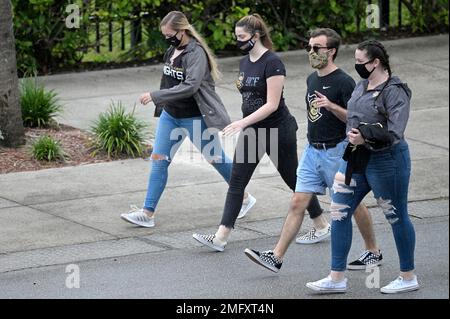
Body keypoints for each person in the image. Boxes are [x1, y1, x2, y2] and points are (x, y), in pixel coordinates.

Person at [244, 28, 381, 273]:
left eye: (316, 48)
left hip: (337, 151)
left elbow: (357, 117)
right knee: (298, 202)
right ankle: (276, 257)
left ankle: (373, 251)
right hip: (312, 150)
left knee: (353, 205)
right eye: (309, 47)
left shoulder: (344, 82)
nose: (311, 52)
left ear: (331, 51)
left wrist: (331, 106)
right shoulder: (312, 79)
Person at [192, 14, 326, 252]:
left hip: (277, 129)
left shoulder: (272, 62)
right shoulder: (245, 62)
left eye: (242, 37)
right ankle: (221, 237)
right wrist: (245, 125)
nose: (238, 41)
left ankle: (321, 223)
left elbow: (272, 104)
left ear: (256, 36)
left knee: (294, 179)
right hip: (253, 131)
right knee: (237, 181)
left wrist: (241, 122)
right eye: (237, 37)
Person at [120, 11, 255, 228]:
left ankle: (245, 198)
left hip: (195, 118)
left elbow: (189, 86)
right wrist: (162, 105)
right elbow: (168, 81)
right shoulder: (172, 50)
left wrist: (156, 96)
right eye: (165, 35)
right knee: (158, 161)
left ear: (182, 31)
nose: (167, 39)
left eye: (170, 34)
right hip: (171, 116)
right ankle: (147, 213)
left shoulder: (196, 54)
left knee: (217, 159)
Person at [306, 40, 418, 294]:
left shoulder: (394, 90)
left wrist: (365, 136)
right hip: (357, 159)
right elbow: (352, 116)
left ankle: (408, 275)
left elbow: (395, 131)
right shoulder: (361, 86)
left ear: (375, 62)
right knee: (339, 209)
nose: (356, 66)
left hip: (387, 160)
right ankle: (336, 278)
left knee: (395, 215)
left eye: (360, 62)